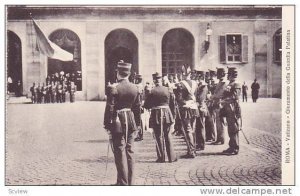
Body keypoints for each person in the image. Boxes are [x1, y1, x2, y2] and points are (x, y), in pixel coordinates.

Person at [103, 61, 141, 185]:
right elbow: (137, 108)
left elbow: (110, 107)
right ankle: (130, 181)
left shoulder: (114, 88)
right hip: (130, 120)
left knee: (119, 151)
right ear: (129, 73)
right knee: (130, 151)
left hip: (118, 121)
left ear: (118, 73)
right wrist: (138, 125)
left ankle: (122, 182)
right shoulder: (135, 88)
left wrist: (107, 125)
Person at [144, 73, 177, 163]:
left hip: (156, 114)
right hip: (167, 113)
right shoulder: (168, 89)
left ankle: (161, 157)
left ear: (154, 80)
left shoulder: (152, 91)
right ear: (161, 80)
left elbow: (146, 105)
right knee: (167, 135)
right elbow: (172, 103)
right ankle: (172, 157)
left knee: (158, 136)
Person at [176, 66, 199, 158]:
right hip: (194, 108)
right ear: (190, 74)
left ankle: (191, 151)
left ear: (182, 74)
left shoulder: (180, 84)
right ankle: (194, 149)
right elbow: (196, 95)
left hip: (186, 109)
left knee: (188, 130)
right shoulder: (195, 83)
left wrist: (183, 103)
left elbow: (179, 98)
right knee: (193, 129)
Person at [222, 67, 242, 155]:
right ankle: (231, 146)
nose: (227, 76)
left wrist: (224, 100)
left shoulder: (236, 84)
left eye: (228, 74)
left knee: (234, 128)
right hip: (228, 108)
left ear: (231, 75)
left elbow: (234, 97)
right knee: (230, 128)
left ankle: (235, 147)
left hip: (233, 108)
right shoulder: (230, 84)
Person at [210, 68, 227, 145]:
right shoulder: (220, 82)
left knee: (220, 122)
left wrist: (212, 96)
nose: (216, 75)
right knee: (217, 122)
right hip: (217, 104)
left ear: (221, 74)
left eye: (218, 74)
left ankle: (222, 139)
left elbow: (220, 94)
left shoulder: (223, 83)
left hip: (220, 105)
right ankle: (219, 138)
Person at [195, 71, 208, 151]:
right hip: (199, 107)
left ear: (201, 77)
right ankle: (199, 143)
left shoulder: (203, 86)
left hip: (201, 107)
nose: (197, 78)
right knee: (199, 126)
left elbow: (200, 98)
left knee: (201, 126)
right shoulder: (200, 86)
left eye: (198, 77)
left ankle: (202, 144)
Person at [134, 74, 144, 142]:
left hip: (137, 106)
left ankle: (139, 135)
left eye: (135, 79)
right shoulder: (140, 86)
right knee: (139, 120)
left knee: (138, 121)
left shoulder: (138, 86)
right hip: (138, 105)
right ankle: (139, 134)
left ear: (137, 80)